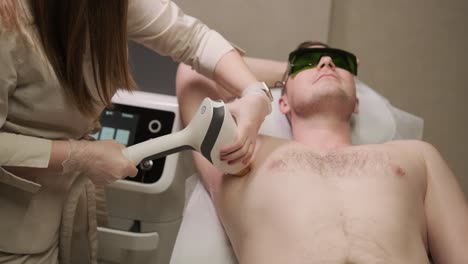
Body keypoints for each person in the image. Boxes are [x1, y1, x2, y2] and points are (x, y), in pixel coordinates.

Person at [0, 0, 273, 263]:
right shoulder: (8, 23)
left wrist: (255, 93)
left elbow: (194, 39)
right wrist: (78, 155)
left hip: (61, 207)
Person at [176, 41, 468, 264]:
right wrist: (286, 71)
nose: (326, 62)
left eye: (338, 61)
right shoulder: (243, 152)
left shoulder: (418, 157)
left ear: (357, 102)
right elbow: (192, 71)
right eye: (308, 62)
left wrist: (303, 69)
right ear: (283, 102)